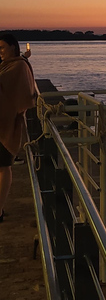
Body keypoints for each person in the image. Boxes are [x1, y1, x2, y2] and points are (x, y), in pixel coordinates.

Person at [0, 33, 37, 222]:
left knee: (3, 167)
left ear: (13, 47)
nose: (0, 52)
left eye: (2, 48)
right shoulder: (11, 64)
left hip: (7, 125)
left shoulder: (18, 66)